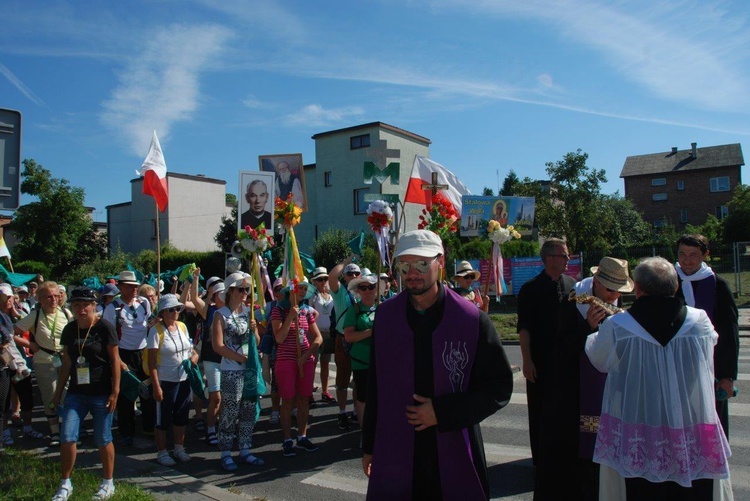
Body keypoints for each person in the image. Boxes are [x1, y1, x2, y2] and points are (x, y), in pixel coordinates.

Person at [362, 230, 514, 500]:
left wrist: (442, 412)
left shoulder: (471, 320)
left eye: (421, 264)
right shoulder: (385, 317)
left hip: (452, 445)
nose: (412, 273)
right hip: (396, 447)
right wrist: (369, 445)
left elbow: (499, 388)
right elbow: (376, 385)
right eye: (404, 265)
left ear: (441, 263)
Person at [585, 257, 731, 499]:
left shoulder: (618, 326)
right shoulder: (700, 321)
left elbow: (599, 359)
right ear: (675, 287)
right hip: (688, 420)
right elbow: (710, 348)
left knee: (643, 489)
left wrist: (594, 332)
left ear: (638, 289)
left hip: (640, 422)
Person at [536, 257, 633, 500]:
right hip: (573, 392)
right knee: (576, 457)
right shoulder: (572, 302)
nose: (614, 296)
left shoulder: (615, 305)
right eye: (610, 290)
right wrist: (587, 328)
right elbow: (559, 349)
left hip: (608, 389)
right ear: (597, 282)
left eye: (619, 291)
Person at [51, 286, 121, 501]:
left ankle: (108, 482)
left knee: (102, 438)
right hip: (76, 393)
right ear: (72, 307)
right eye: (77, 305)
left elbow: (115, 360)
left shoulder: (105, 328)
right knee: (67, 436)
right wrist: (57, 394)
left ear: (94, 306)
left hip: (101, 392)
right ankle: (65, 483)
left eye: (86, 305)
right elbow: (67, 363)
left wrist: (115, 391)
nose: (82, 309)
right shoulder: (70, 330)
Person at [516, 237, 575, 466]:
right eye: (563, 255)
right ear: (549, 258)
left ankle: (564, 458)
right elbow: (524, 328)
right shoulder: (531, 289)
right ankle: (541, 460)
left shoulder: (572, 285)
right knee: (541, 412)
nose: (567, 259)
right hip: (541, 361)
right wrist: (527, 360)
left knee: (565, 411)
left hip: (567, 362)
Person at [674, 234, 738, 438]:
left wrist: (727, 376)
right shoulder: (669, 282)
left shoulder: (718, 285)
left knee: (712, 425)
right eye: (682, 254)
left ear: (705, 255)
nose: (687, 260)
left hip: (712, 368)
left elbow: (729, 334)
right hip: (677, 367)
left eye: (693, 254)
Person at [211, 272, 265, 471]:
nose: (245, 293)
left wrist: (254, 330)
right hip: (232, 370)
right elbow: (218, 346)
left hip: (248, 370)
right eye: (241, 289)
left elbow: (257, 341)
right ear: (230, 291)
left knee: (248, 410)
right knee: (230, 411)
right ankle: (225, 451)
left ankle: (245, 448)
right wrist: (241, 358)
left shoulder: (248, 312)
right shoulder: (221, 314)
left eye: (246, 289)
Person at [14, 280, 72, 446]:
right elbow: (14, 333)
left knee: (67, 394)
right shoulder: (35, 315)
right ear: (40, 298)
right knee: (50, 395)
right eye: (48, 296)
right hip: (43, 361)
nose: (53, 300)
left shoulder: (66, 314)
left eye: (55, 296)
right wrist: (30, 345)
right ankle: (55, 432)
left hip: (64, 360)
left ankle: (68, 431)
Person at [271, 278, 322, 456]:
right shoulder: (279, 311)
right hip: (285, 360)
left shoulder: (307, 311)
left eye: (304, 288)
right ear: (291, 291)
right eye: (299, 288)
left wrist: (307, 355)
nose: (302, 291)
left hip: (305, 360)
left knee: (303, 399)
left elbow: (318, 337)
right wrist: (291, 317)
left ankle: (302, 435)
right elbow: (279, 338)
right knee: (287, 400)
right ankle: (287, 439)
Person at [102, 270, 154, 446]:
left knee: (148, 391)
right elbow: (107, 337)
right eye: (130, 286)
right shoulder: (112, 308)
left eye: (136, 286)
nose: (134, 289)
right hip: (123, 354)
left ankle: (149, 427)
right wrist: (117, 360)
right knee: (127, 395)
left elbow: (150, 323)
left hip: (144, 352)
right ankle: (126, 433)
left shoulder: (144, 303)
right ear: (121, 287)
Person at [147, 294, 198, 466]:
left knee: (181, 416)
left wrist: (194, 357)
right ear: (163, 312)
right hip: (165, 380)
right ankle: (162, 452)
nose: (175, 312)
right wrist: (156, 386)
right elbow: (151, 362)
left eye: (177, 308)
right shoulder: (156, 331)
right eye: (171, 309)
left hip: (184, 379)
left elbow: (191, 349)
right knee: (162, 419)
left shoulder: (183, 327)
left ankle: (179, 448)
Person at [188, 272, 224, 445]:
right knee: (215, 397)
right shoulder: (209, 311)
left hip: (229, 360)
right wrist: (195, 280)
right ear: (215, 296)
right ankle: (210, 428)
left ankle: (221, 426)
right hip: (210, 358)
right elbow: (194, 298)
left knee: (225, 397)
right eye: (221, 294)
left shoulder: (234, 311)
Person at [343, 273, 378, 433]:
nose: (367, 290)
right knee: (363, 399)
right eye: (363, 287)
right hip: (361, 362)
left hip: (381, 361)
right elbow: (348, 336)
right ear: (358, 291)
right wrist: (370, 332)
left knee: (381, 397)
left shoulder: (384, 308)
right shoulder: (354, 309)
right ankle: (365, 433)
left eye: (371, 287)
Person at [328, 257, 360, 430]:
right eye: (350, 273)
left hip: (359, 339)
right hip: (342, 339)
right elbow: (332, 277)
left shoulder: (364, 290)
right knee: (342, 377)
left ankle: (356, 410)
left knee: (359, 377)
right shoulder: (340, 291)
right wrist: (346, 261)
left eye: (356, 273)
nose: (353, 275)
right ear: (345, 276)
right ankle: (342, 412)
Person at [310, 267, 335, 403]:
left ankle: (325, 391)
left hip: (327, 332)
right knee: (312, 364)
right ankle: (309, 392)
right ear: (315, 281)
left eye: (325, 279)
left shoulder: (330, 295)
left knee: (325, 363)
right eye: (320, 279)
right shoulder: (312, 296)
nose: (323, 281)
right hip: (315, 333)